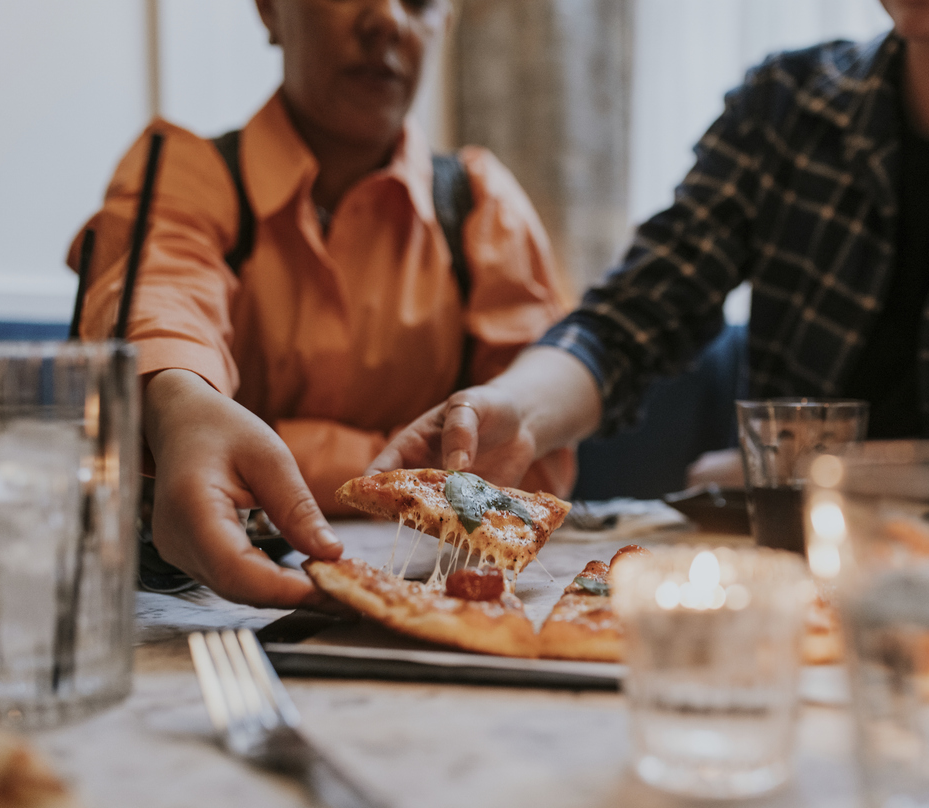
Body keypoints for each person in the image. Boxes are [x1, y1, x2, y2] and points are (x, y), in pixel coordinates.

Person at [372, 0, 929, 488]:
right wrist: (515, 409)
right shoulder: (782, 105)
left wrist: (807, 482)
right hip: (797, 617)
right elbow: (631, 319)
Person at [70, 0, 573, 609]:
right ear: (269, 11)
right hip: (195, 610)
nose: (387, 18)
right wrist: (180, 403)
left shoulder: (484, 207)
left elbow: (532, 467)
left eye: (420, 1)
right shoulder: (181, 175)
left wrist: (281, 452)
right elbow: (160, 301)